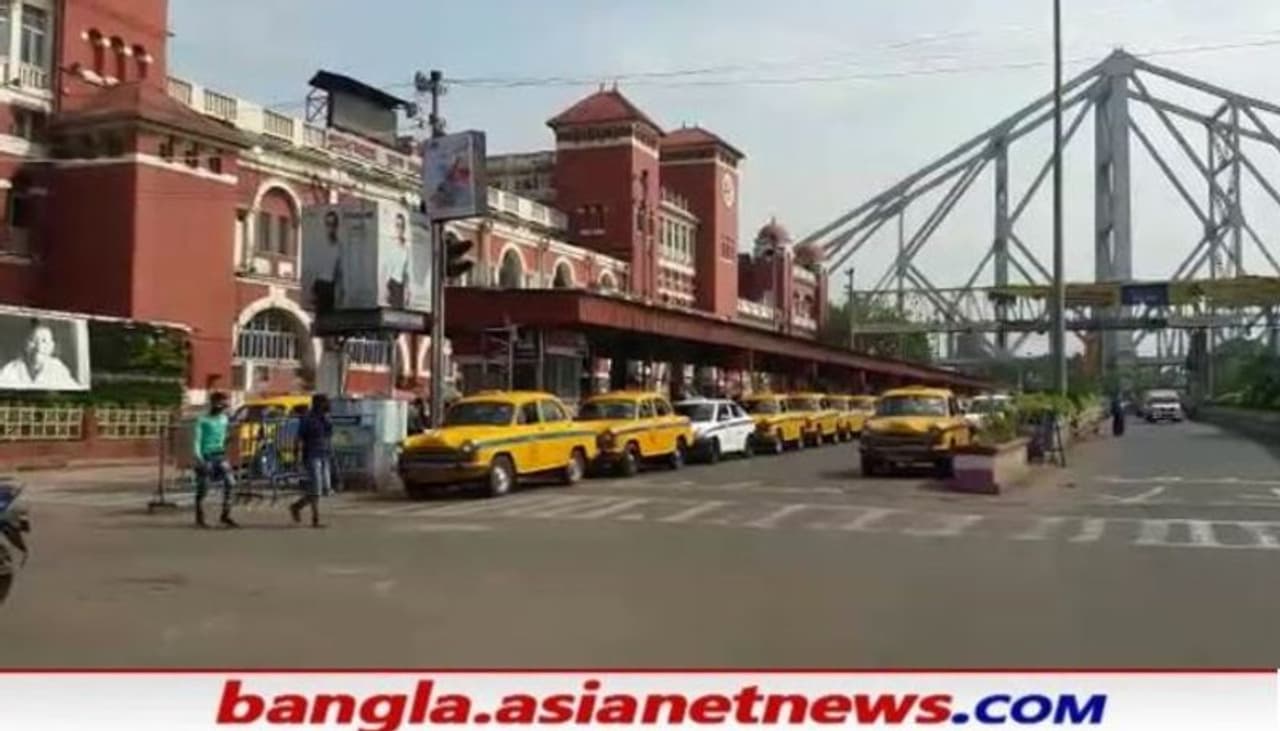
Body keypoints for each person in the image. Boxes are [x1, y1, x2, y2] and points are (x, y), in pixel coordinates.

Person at [193, 392, 237, 529]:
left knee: (231, 482)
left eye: (224, 404)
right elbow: (197, 440)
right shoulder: (202, 420)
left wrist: (227, 440)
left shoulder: (224, 419)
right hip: (206, 456)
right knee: (204, 487)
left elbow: (223, 436)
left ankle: (225, 515)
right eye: (220, 404)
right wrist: (199, 458)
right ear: (213, 403)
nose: (223, 407)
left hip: (220, 456)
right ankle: (200, 517)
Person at [290, 394, 333, 528]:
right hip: (312, 455)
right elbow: (298, 438)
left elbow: (328, 435)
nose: (327, 406)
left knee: (326, 488)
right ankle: (315, 519)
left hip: (324, 454)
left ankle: (297, 506)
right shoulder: (308, 418)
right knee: (316, 489)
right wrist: (296, 456)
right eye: (324, 403)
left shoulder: (325, 418)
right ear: (317, 404)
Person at [0, 320, 79, 390]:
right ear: (25, 344)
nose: (39, 347)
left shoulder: (58, 369)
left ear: (51, 346)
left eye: (44, 341)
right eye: (33, 340)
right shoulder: (11, 369)